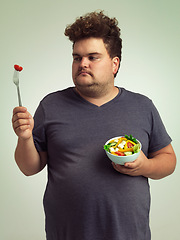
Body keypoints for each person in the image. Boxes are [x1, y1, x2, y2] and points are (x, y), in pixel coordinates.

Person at [12, 11, 176, 240]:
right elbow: (29, 168)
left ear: (114, 63)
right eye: (77, 57)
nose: (83, 64)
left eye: (93, 57)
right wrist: (25, 137)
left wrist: (143, 166)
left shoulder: (142, 106)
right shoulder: (51, 105)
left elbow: (168, 159)